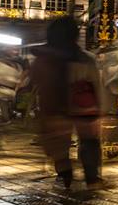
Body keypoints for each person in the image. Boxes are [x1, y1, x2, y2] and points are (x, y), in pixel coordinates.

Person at [31, 17, 105, 189]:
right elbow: (95, 83)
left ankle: (65, 173)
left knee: (59, 144)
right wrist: (100, 106)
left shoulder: (43, 58)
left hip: (54, 104)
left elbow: (35, 81)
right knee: (89, 141)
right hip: (83, 104)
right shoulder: (85, 58)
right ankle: (92, 178)